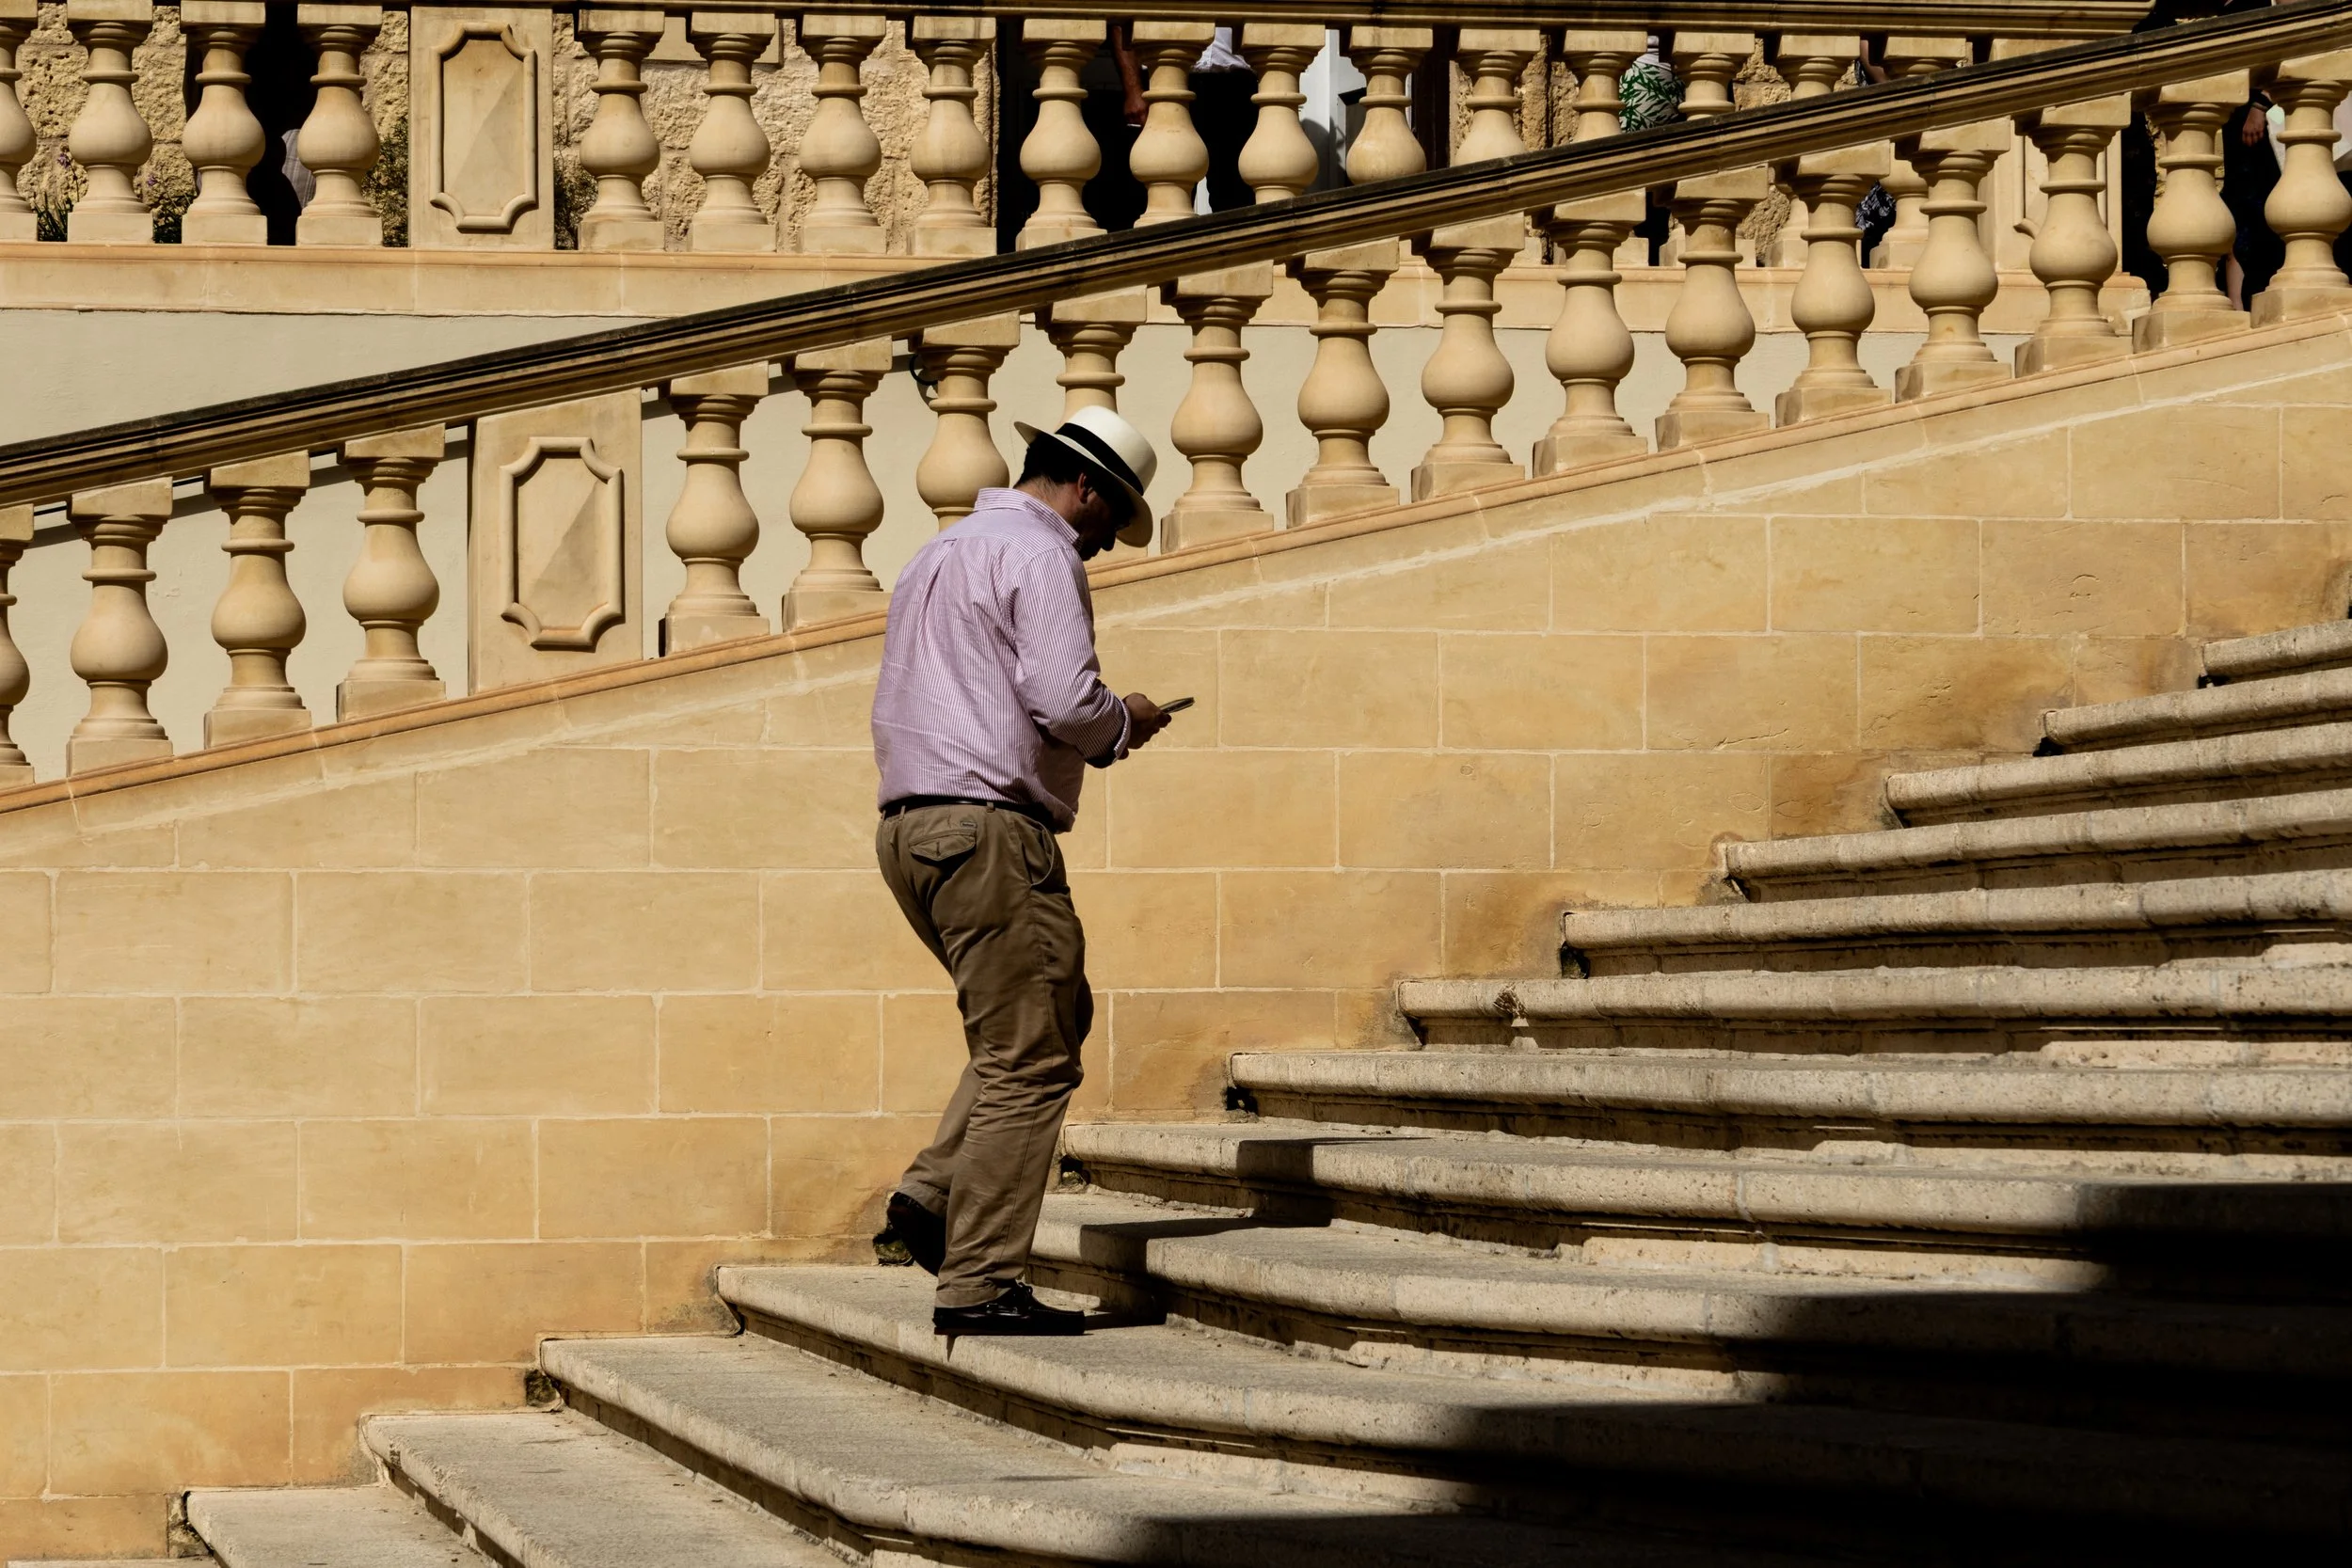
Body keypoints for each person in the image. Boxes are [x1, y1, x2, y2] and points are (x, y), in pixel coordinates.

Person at [869, 405, 1174, 1338]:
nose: (1103, 544)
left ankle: (932, 1196)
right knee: (1033, 1058)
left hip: (912, 825)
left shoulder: (941, 550)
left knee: (1046, 1018)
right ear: (1086, 486)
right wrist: (1122, 722)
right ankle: (980, 1278)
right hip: (989, 826)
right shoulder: (1042, 555)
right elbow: (1060, 696)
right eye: (1108, 520)